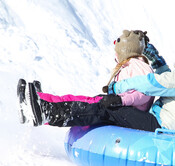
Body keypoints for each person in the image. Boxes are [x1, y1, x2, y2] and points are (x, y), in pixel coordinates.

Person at [19, 37, 175, 135]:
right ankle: (45, 103)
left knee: (108, 109)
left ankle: (46, 112)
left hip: (167, 128)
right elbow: (171, 82)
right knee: (104, 104)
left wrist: (119, 88)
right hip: (172, 125)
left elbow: (154, 83)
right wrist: (156, 59)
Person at [18, 30, 154, 126]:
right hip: (120, 105)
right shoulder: (130, 65)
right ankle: (40, 99)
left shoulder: (138, 65)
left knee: (85, 106)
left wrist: (121, 100)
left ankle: (44, 110)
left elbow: (144, 93)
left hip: (127, 110)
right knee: (77, 100)